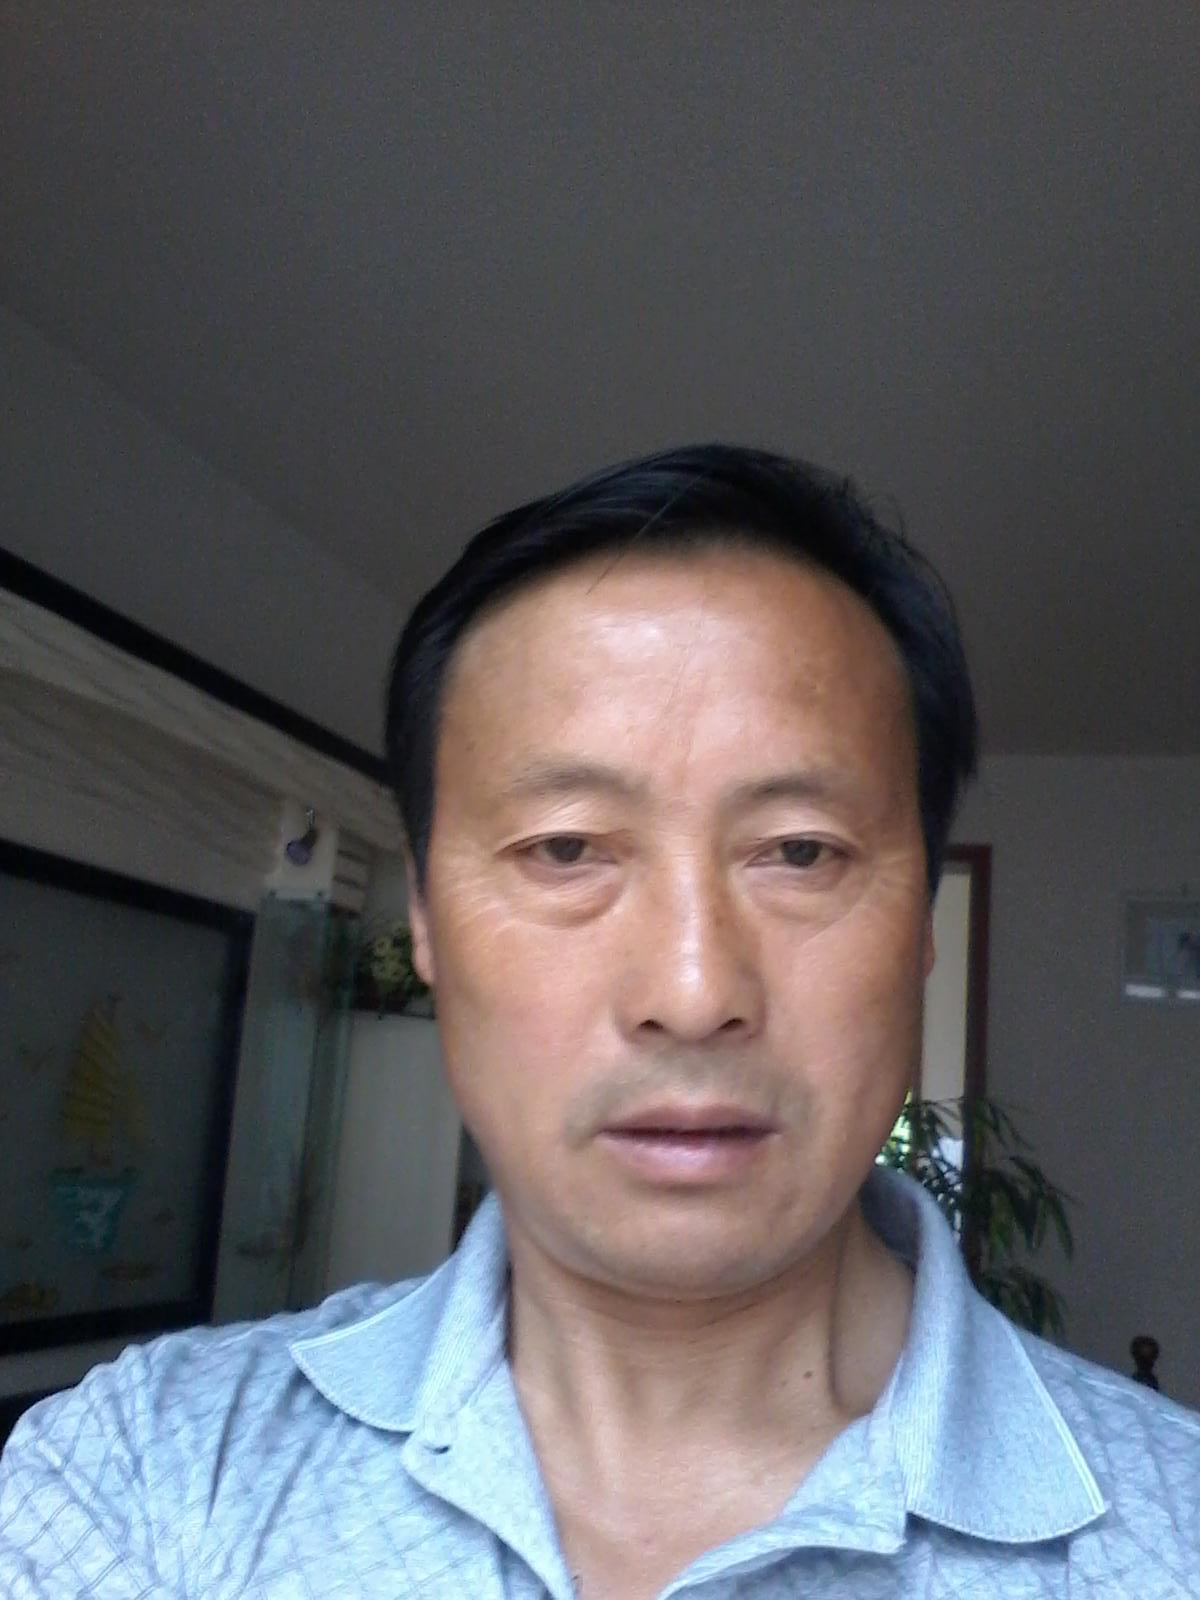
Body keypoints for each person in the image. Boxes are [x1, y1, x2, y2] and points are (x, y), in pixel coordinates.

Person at [1, 445, 1196, 1597]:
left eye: (799, 851)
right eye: (566, 848)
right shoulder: (150, 1473)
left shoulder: (1171, 1537)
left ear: (921, 922)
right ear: (425, 921)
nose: (692, 992)